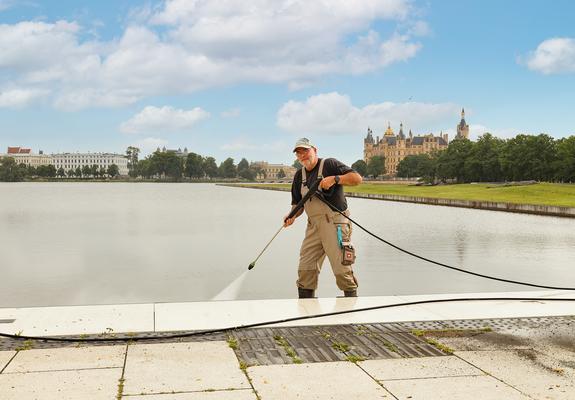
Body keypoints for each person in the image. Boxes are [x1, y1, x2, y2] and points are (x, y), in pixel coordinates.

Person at [284, 138, 362, 298]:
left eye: (305, 151)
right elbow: (297, 206)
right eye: (299, 153)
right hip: (313, 226)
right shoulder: (299, 175)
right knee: (306, 268)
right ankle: (306, 310)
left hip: (335, 224)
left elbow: (357, 179)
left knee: (342, 269)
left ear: (315, 150)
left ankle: (352, 310)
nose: (302, 155)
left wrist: (335, 179)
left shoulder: (329, 164)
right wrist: (291, 216)